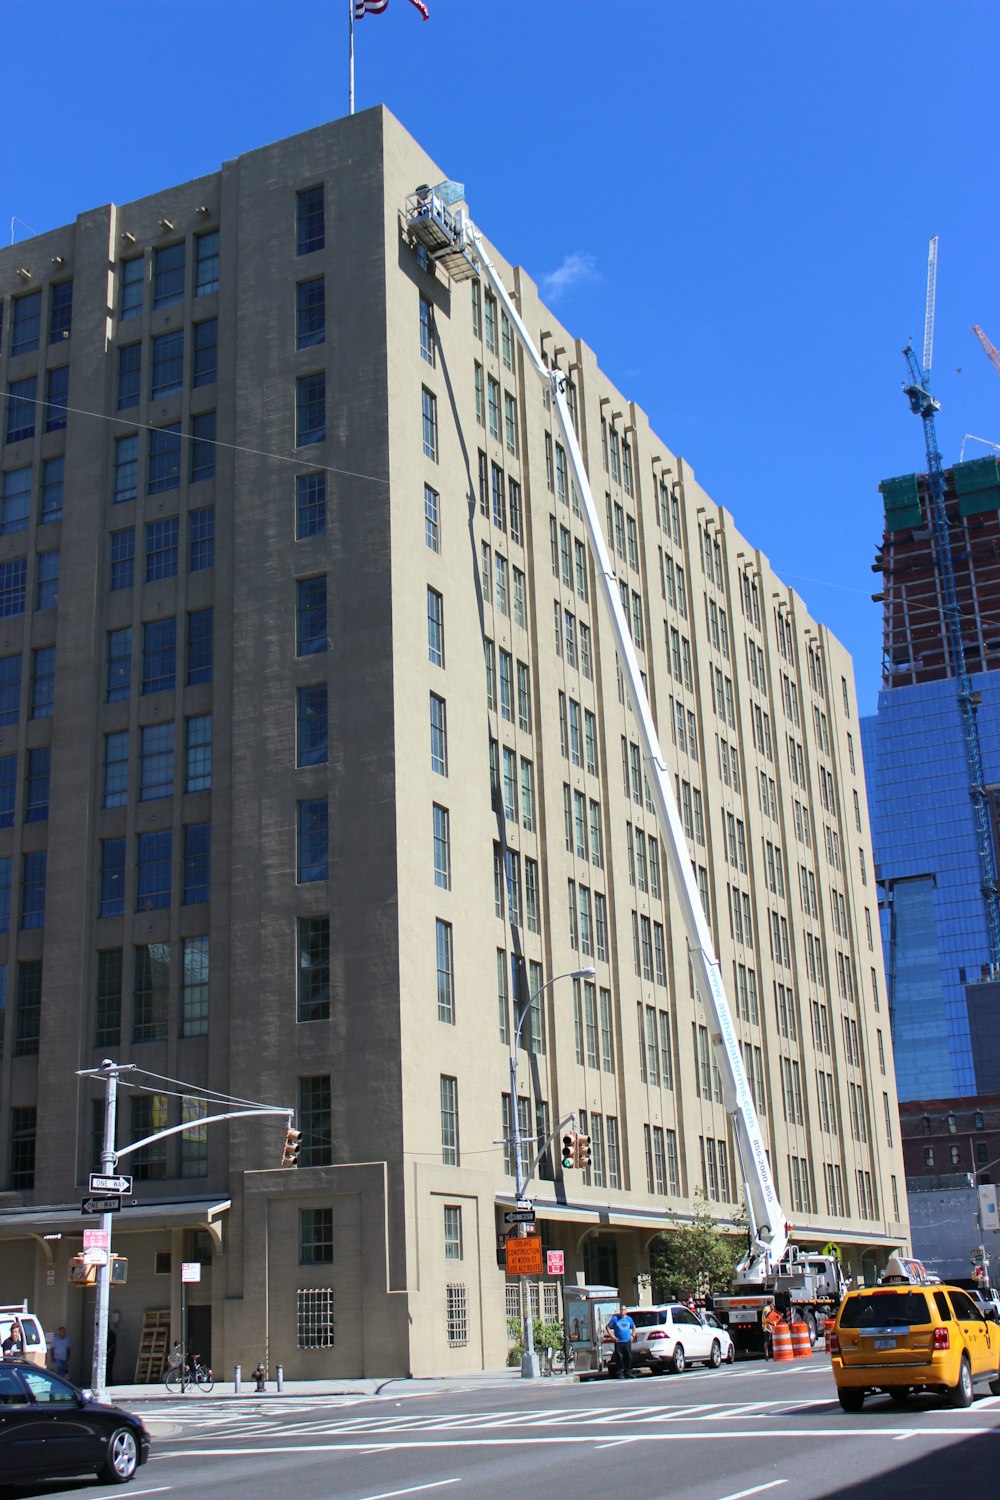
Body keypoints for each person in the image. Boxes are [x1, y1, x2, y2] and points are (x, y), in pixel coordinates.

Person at [606, 1304, 636, 1380]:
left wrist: (633, 1335)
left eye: (624, 1310)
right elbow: (608, 1327)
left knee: (628, 1357)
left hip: (627, 1341)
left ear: (626, 1311)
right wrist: (612, 1336)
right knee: (619, 1358)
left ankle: (628, 1372)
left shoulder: (629, 1319)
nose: (622, 1311)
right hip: (618, 1341)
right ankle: (620, 1373)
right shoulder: (615, 1318)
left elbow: (633, 1326)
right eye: (621, 1310)